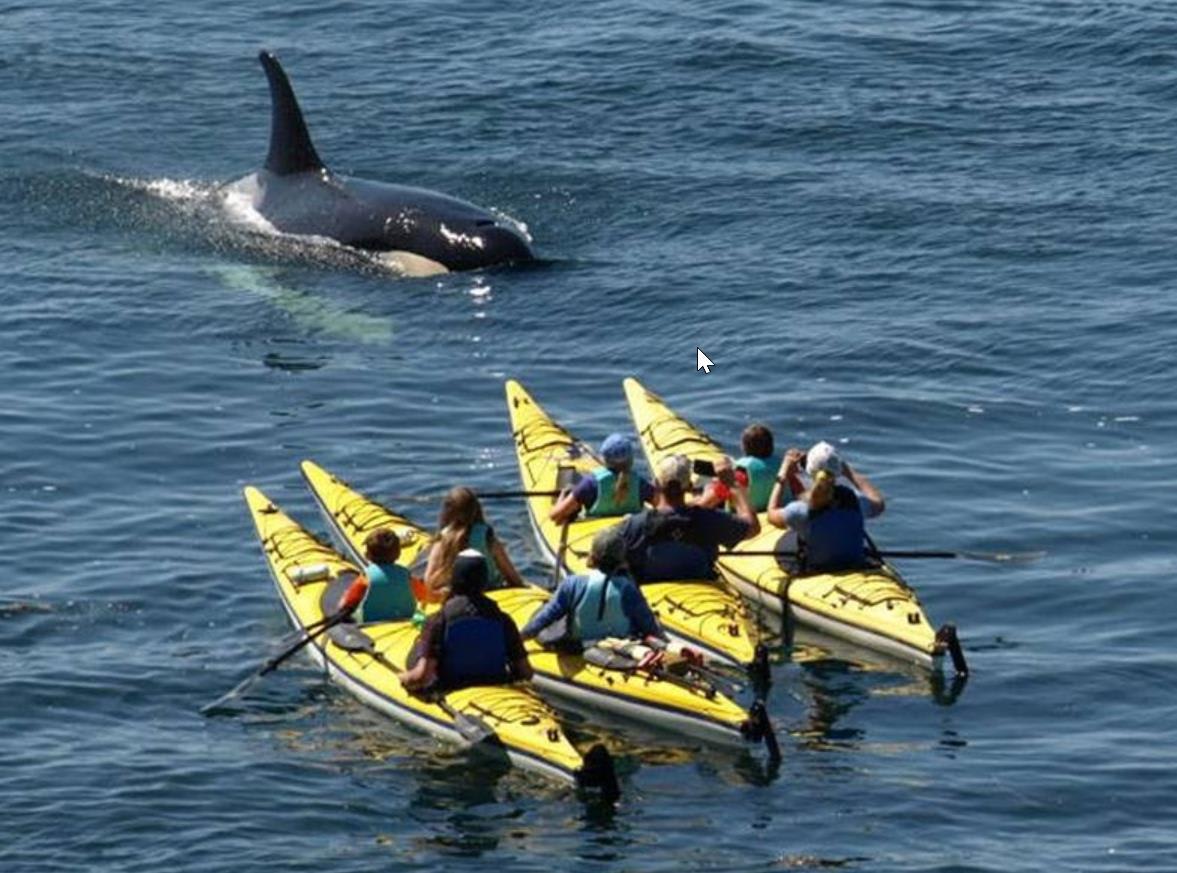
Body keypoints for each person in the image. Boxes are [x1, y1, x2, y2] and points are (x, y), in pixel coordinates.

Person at [399, 549, 533, 691]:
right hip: (496, 681)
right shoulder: (503, 619)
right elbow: (526, 672)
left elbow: (421, 675)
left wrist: (403, 677)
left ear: (454, 579)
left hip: (452, 684)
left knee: (417, 650)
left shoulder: (438, 620)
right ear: (484, 581)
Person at [617, 453, 760, 584]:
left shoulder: (634, 525)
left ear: (656, 484)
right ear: (689, 486)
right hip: (703, 587)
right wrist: (732, 484)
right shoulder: (708, 519)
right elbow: (752, 527)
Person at [521, 527, 664, 646]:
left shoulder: (572, 583)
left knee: (545, 610)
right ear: (621, 559)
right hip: (618, 647)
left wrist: (521, 638)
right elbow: (649, 627)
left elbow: (546, 617)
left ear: (593, 556)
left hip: (579, 645)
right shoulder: (628, 589)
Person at [766, 441, 886, 572]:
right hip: (853, 562)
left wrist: (784, 470)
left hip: (818, 566)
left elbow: (771, 514)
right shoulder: (854, 500)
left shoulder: (800, 510)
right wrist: (847, 470)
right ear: (838, 471)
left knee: (785, 542)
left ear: (809, 470)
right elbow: (878, 503)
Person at [423, 486, 524, 595]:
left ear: (447, 512)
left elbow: (429, 582)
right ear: (476, 508)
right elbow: (513, 578)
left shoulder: (443, 538)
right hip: (491, 590)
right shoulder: (486, 535)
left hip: (457, 594)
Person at [549, 433, 654, 524]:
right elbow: (662, 506)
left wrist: (562, 495)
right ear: (631, 460)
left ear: (604, 459)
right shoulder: (640, 483)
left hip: (594, 533)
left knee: (569, 490)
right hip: (632, 532)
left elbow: (554, 516)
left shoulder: (590, 484)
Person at [356, 528, 417, 622]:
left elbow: (348, 602)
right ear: (399, 554)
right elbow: (425, 594)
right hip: (405, 620)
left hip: (371, 624)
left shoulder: (366, 577)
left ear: (367, 555)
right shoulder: (406, 575)